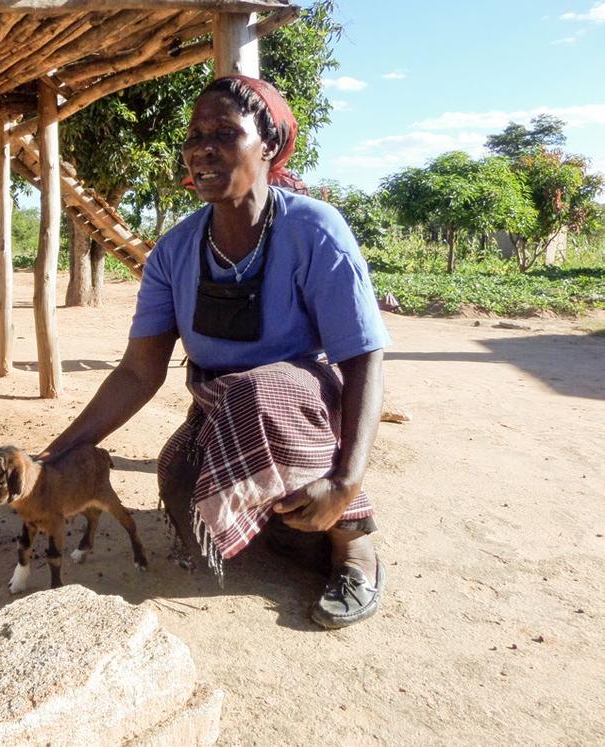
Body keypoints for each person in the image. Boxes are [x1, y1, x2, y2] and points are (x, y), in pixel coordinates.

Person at [39, 75, 390, 629]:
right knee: (179, 481)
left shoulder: (315, 230)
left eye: (226, 132)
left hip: (299, 406)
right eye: (196, 135)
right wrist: (56, 454)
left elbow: (363, 356)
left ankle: (353, 546)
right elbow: (138, 371)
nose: (204, 147)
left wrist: (346, 482)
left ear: (268, 145)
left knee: (260, 393)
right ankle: (280, 522)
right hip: (218, 410)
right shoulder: (175, 251)